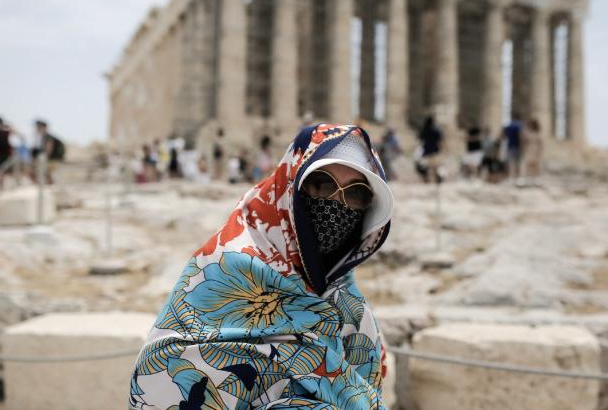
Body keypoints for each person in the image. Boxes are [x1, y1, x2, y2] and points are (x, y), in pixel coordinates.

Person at [130, 124, 394, 409]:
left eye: (356, 194)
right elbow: (158, 376)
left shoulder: (351, 306)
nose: (336, 203)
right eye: (322, 184)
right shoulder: (224, 268)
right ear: (290, 187)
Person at [30, 120, 64, 185]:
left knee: (37, 172)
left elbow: (48, 150)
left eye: (38, 127)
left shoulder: (48, 137)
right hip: (51, 160)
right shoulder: (44, 137)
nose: (36, 129)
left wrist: (40, 160)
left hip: (53, 160)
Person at [0, 117, 15, 190]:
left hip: (3, 154)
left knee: (4, 171)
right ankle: (1, 187)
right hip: (3, 154)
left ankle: (2, 187)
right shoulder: (0, 132)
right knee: (2, 171)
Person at [417, 116, 443, 183]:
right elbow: (440, 141)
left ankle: (427, 181)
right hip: (435, 151)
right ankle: (437, 181)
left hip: (426, 152)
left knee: (425, 168)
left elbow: (420, 139)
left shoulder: (424, 130)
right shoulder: (436, 130)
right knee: (436, 168)